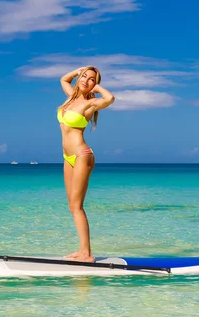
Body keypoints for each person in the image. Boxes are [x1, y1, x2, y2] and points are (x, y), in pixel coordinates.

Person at [58, 66, 115, 262]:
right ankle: (82, 250)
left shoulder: (90, 104)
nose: (85, 80)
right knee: (71, 206)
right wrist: (78, 71)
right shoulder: (70, 98)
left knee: (77, 206)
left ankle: (87, 254)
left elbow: (110, 99)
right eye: (84, 77)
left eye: (91, 79)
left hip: (82, 155)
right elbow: (64, 80)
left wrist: (96, 87)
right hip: (68, 157)